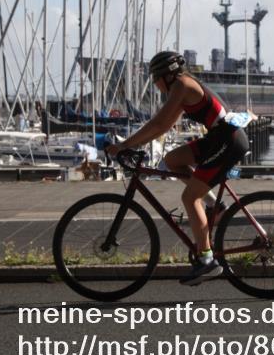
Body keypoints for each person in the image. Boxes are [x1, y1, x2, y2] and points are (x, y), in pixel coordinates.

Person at [105, 51, 249, 285]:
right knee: (173, 160)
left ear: (167, 75)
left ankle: (207, 260)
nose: (154, 83)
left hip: (228, 141)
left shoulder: (181, 84)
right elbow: (163, 128)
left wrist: (123, 145)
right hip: (219, 138)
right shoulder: (180, 87)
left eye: (155, 78)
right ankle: (216, 205)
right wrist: (132, 145)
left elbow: (157, 123)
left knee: (190, 198)